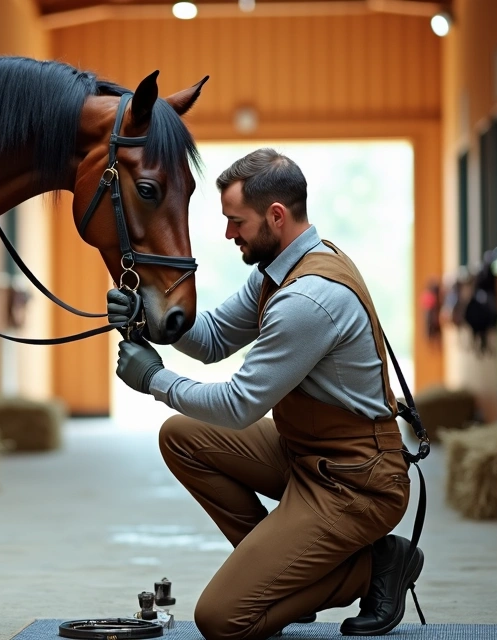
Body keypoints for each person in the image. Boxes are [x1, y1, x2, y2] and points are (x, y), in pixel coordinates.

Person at [110, 148, 427, 640]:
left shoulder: (307, 299)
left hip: (354, 483)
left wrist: (154, 379)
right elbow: (213, 338)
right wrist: (151, 315)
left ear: (276, 216)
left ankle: (375, 567)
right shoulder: (277, 271)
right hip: (306, 454)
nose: (228, 233)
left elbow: (239, 405)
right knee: (182, 437)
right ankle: (282, 580)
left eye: (236, 221)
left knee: (223, 620)